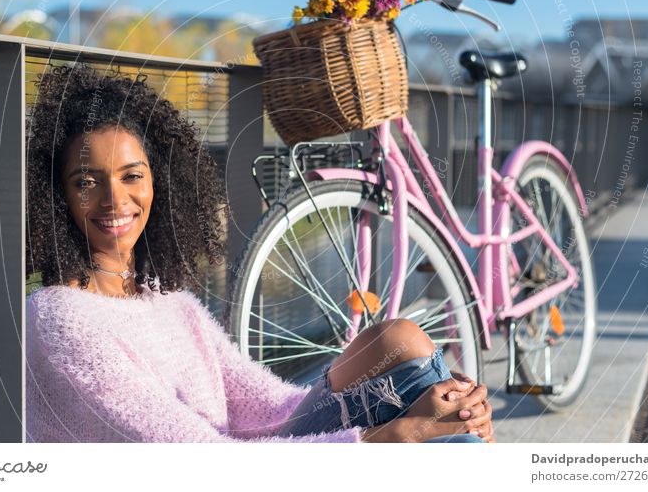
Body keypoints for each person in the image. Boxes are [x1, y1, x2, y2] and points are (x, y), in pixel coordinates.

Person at [25, 64, 495, 443]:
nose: (114, 201)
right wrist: (389, 438)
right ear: (55, 195)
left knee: (400, 340)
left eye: (131, 176)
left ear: (158, 181)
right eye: (87, 182)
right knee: (431, 438)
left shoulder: (164, 301)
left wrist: (440, 400)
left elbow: (271, 410)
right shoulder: (62, 320)